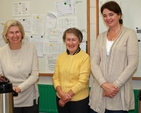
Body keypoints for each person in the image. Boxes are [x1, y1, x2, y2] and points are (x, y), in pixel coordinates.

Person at [89, 1, 139, 113]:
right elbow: (94, 63)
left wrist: (114, 86)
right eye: (105, 16)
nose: (108, 18)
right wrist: (103, 84)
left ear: (119, 15)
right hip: (99, 93)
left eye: (111, 14)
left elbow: (133, 64)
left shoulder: (129, 34)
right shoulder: (100, 37)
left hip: (119, 93)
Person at [0, 19, 39, 113]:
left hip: (29, 98)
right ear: (6, 35)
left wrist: (19, 88)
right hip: (9, 98)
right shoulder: (1, 52)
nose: (15, 35)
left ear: (21, 33)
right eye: (11, 33)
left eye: (17, 32)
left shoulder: (31, 48)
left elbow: (35, 74)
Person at [52, 27, 91, 113]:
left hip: (79, 102)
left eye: (74, 40)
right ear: (64, 41)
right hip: (60, 98)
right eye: (68, 39)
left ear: (79, 41)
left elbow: (82, 82)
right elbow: (55, 77)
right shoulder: (61, 57)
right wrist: (61, 94)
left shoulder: (85, 57)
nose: (70, 43)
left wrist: (65, 98)